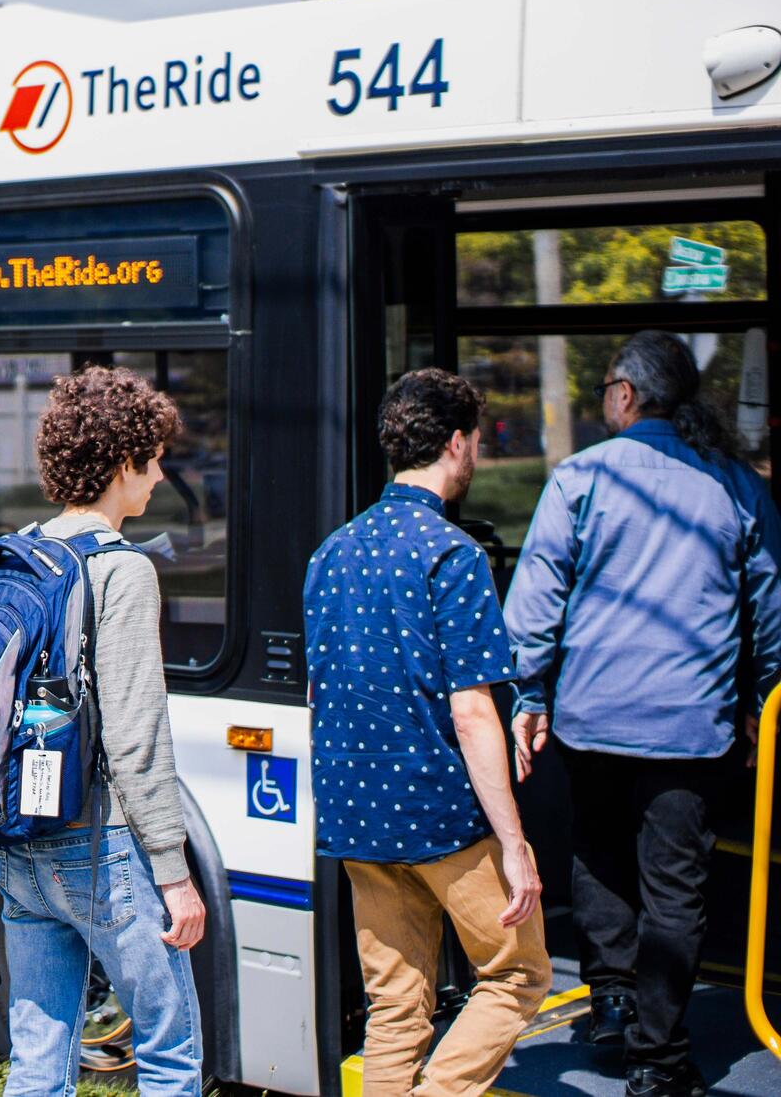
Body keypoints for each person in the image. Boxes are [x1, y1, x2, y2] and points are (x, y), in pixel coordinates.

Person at [505, 331, 781, 1097]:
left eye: (603, 391)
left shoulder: (579, 479)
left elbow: (533, 606)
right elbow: (772, 610)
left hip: (592, 721)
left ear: (625, 394)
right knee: (676, 885)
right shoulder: (734, 485)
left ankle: (611, 1002)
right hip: (695, 729)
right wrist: (764, 700)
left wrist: (529, 694)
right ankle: (659, 1061)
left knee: (597, 855)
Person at [302, 368, 551, 1097]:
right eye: (474, 440)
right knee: (517, 972)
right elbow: (474, 711)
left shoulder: (331, 552)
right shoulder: (453, 554)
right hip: (444, 818)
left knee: (395, 1006)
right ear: (455, 443)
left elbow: (321, 689)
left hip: (356, 819)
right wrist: (513, 842)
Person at [0, 366, 206, 1097]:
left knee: (38, 1059)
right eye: (151, 462)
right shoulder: (122, 570)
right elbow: (136, 736)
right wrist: (175, 876)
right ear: (123, 464)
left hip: (19, 848)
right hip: (103, 848)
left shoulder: (18, 552)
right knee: (170, 1050)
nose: (156, 480)